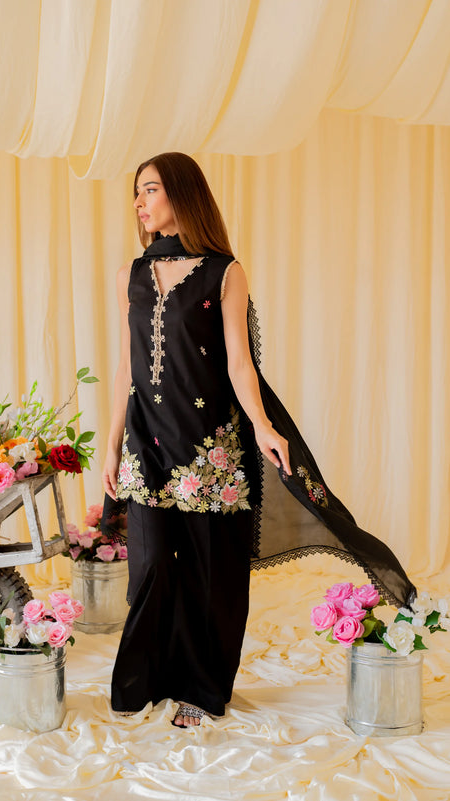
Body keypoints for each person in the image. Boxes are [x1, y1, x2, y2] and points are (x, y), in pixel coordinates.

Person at [102, 152, 415, 729]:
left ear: (182, 194)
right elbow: (126, 365)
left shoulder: (224, 272)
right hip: (146, 444)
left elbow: (239, 364)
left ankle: (202, 690)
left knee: (210, 572)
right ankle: (143, 680)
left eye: (151, 190)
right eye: (137, 193)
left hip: (209, 446)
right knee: (149, 568)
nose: (140, 203)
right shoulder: (130, 275)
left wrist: (265, 427)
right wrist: (111, 442)